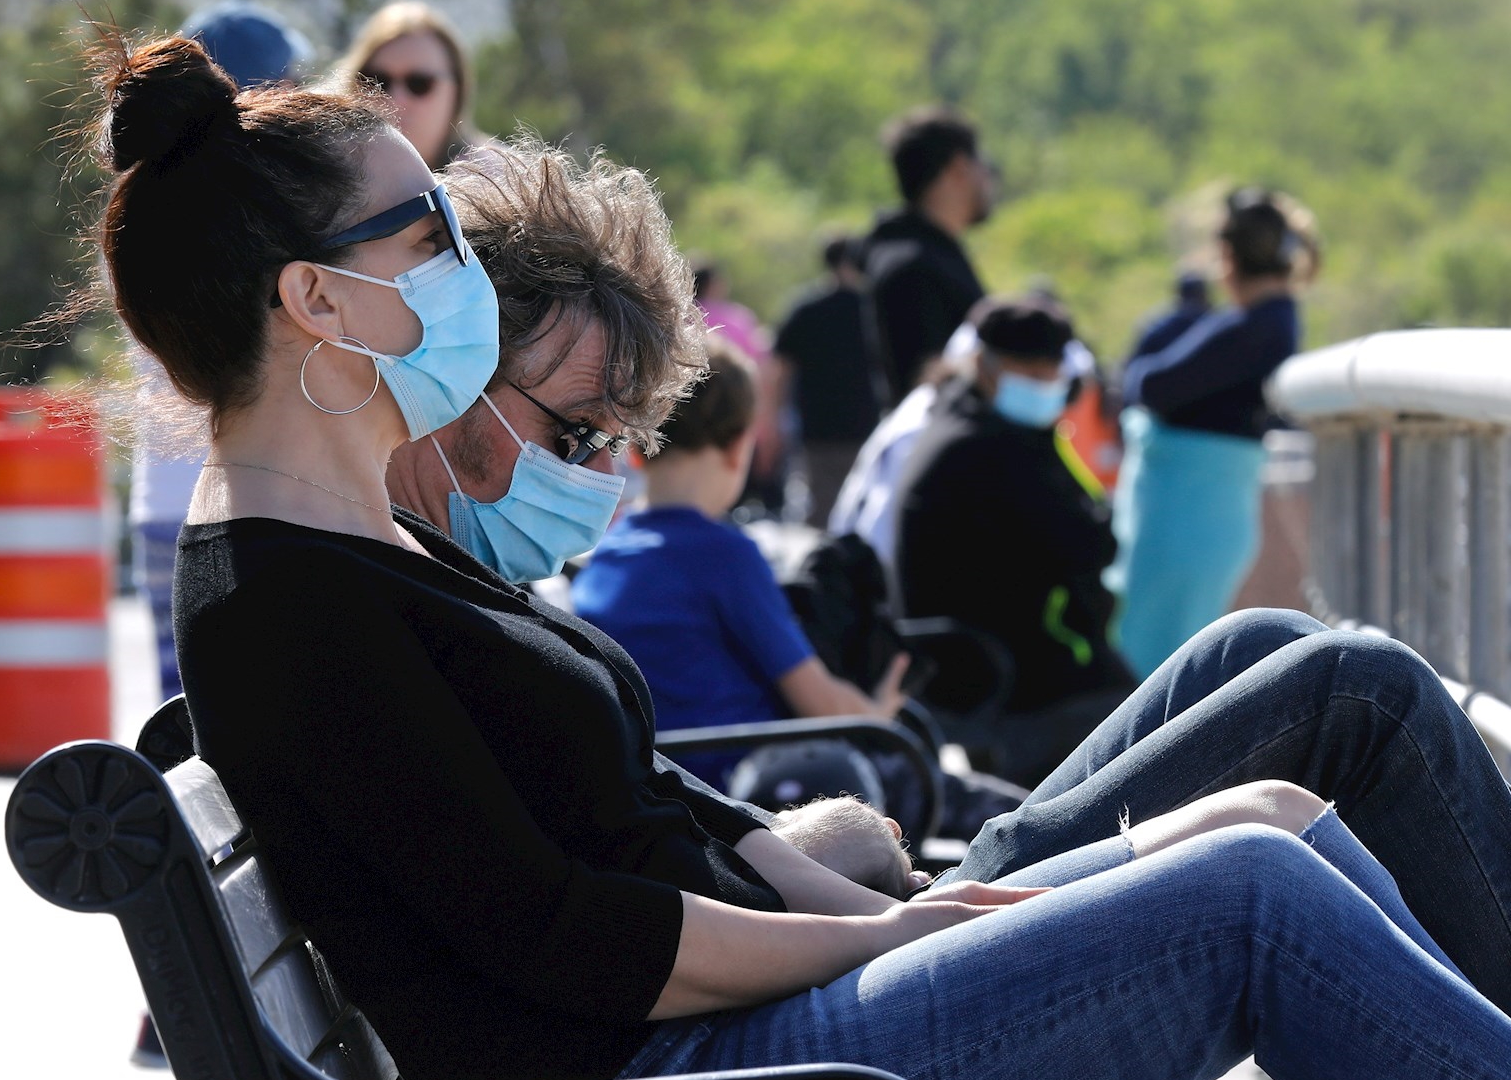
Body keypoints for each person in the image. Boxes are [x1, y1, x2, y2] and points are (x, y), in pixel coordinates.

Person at [87, 39, 1511, 1080]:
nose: (467, 261)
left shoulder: (351, 544)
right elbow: (572, 935)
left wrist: (906, 913)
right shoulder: (288, 604)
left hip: (745, 1001)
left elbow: (648, 811)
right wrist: (895, 938)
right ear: (320, 299)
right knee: (1252, 887)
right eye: (433, 233)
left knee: (1274, 802)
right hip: (701, 1053)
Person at [569, 341, 1023, 848]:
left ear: (636, 446)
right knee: (1010, 813)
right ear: (739, 448)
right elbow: (823, 703)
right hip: (762, 786)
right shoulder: (724, 555)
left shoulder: (604, 556)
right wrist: (879, 710)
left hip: (666, 782)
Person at [129, 1, 310, 704]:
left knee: (184, 723)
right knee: (261, 723)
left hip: (163, 501)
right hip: (251, 501)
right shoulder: (266, 209)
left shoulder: (143, 195)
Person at [891, 297, 1136, 787]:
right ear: (984, 365)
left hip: (977, 657)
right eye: (1032, 374)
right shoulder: (987, 447)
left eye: (1052, 375)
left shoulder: (961, 421)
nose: (1045, 388)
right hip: (997, 673)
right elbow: (1087, 544)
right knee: (1139, 724)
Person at [1108, 189, 1318, 676]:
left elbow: (1150, 384)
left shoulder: (1259, 324)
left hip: (1188, 516)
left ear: (1227, 257)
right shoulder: (1270, 321)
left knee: (1151, 667)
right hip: (1205, 513)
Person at [860, 106, 992, 401]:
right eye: (982, 165)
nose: (988, 178)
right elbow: (926, 382)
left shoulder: (930, 252)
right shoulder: (911, 266)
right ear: (959, 168)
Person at [773, 235, 885, 525]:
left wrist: (776, 416)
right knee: (862, 508)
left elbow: (781, 368)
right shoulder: (873, 307)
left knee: (822, 507)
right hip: (865, 421)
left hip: (817, 423)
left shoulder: (805, 309)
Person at [331, 1, 489, 170]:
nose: (395, 100)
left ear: (457, 93)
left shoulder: (493, 177)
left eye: (419, 83)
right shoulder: (322, 168)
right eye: (376, 81)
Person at [694, 260, 788, 517]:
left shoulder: (677, 319)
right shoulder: (737, 319)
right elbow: (762, 373)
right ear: (715, 285)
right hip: (734, 416)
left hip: (685, 422)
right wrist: (766, 426)